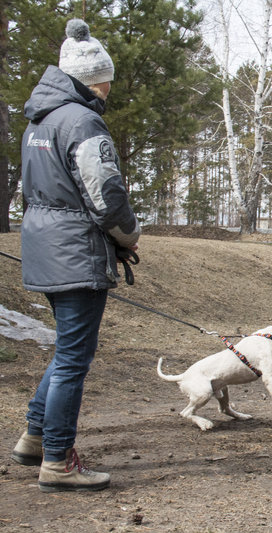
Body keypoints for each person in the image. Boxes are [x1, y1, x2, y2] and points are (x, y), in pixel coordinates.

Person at [11, 18, 140, 491]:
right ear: (92, 78)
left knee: (66, 352)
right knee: (73, 359)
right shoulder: (83, 120)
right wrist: (129, 236)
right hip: (76, 251)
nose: (109, 87)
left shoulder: (39, 120)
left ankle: (34, 437)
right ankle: (59, 461)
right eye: (107, 78)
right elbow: (106, 195)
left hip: (44, 246)